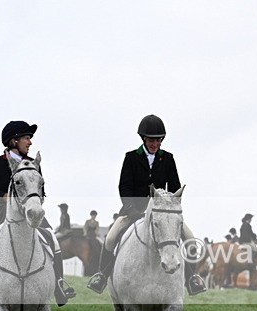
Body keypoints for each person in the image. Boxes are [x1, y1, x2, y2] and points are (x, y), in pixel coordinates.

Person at [86, 115, 206, 295]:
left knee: (190, 238)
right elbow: (124, 186)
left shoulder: (167, 158)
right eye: (151, 140)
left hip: (162, 212)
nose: (155, 144)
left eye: (158, 140)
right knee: (110, 238)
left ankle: (191, 279)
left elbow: (174, 188)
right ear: (143, 139)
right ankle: (102, 275)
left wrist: (170, 208)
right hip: (133, 210)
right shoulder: (131, 158)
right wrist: (131, 209)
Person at [0, 121, 76, 305]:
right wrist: (3, 195)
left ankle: (59, 286)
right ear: (13, 141)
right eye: (27, 138)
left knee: (51, 237)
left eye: (30, 139)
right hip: (2, 211)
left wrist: (35, 202)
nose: (30, 142)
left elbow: (41, 191)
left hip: (29, 211)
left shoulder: (33, 165)